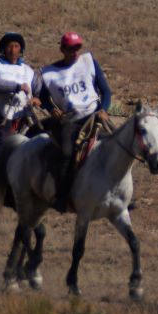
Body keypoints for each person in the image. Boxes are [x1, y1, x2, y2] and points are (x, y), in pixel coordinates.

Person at [35, 31, 114, 214]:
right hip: (70, 120)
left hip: (94, 115)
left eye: (78, 47)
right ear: (62, 49)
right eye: (71, 48)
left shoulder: (89, 62)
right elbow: (43, 97)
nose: (75, 52)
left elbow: (106, 91)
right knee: (66, 153)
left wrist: (104, 109)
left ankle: (118, 197)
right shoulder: (50, 73)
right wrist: (51, 108)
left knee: (118, 146)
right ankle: (62, 196)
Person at [0, 31, 37, 204]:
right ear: (3, 48)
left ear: (21, 49)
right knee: (1, 138)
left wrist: (37, 98)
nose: (13, 49)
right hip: (0, 115)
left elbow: (38, 90)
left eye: (16, 46)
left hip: (25, 116)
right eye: (9, 46)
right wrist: (16, 86)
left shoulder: (28, 71)